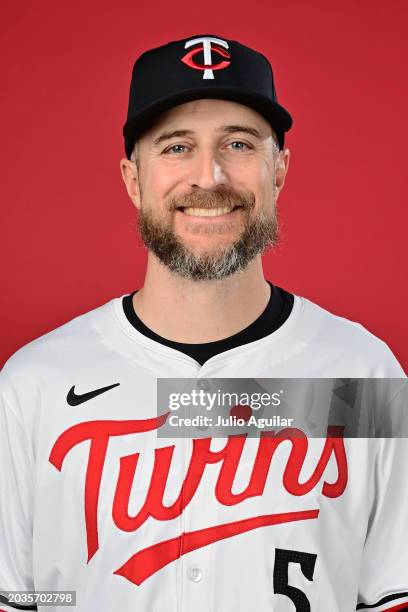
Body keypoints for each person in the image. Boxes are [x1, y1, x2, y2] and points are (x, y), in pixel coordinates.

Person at [0, 34, 406, 612]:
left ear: (280, 171)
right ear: (133, 179)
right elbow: (26, 598)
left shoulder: (363, 376)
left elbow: (387, 596)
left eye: (239, 144)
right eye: (175, 147)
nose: (210, 176)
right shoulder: (33, 387)